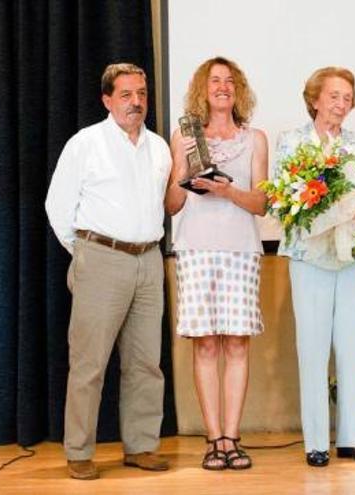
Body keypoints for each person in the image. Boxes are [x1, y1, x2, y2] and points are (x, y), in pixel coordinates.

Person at [45, 63, 172, 480]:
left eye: (142, 94)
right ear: (106, 100)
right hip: (101, 258)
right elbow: (57, 206)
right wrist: (86, 253)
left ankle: (141, 446)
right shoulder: (86, 143)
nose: (136, 102)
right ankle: (79, 451)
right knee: (89, 363)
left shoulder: (159, 148)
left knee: (145, 363)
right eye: (126, 95)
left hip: (149, 260)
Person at [276, 67, 355, 467]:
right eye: (334, 95)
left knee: (353, 344)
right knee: (313, 347)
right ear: (315, 99)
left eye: (348, 97)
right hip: (309, 256)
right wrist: (319, 211)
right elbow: (285, 197)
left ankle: (354, 438)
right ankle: (316, 441)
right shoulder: (292, 142)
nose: (341, 103)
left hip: (352, 253)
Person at [165, 57, 267, 470]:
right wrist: (184, 170)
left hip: (241, 249)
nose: (222, 87)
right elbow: (171, 205)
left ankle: (233, 437)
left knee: (237, 343)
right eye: (214, 81)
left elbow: (261, 203)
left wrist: (227, 192)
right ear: (201, 90)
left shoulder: (255, 138)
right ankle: (214, 440)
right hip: (195, 248)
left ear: (238, 89)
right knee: (206, 343)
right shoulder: (184, 136)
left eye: (229, 81)